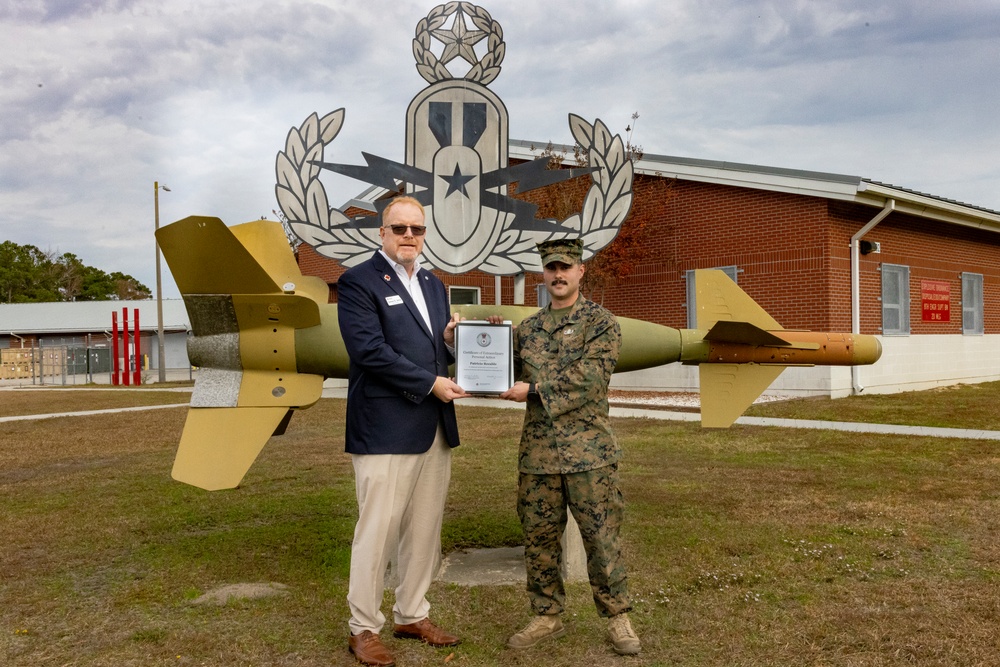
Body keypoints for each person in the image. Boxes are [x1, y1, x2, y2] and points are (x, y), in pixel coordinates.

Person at [337, 195, 467, 667]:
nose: (408, 236)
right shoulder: (357, 282)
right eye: (399, 228)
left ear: (425, 233)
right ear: (381, 232)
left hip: (433, 425)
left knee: (425, 529)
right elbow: (369, 351)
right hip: (386, 426)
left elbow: (433, 350)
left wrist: (450, 345)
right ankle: (363, 627)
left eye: (416, 228)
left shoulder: (435, 285)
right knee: (378, 530)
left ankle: (412, 612)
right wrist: (432, 382)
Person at [500, 238, 641, 656]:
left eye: (566, 267)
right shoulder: (528, 329)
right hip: (539, 456)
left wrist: (533, 389)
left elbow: (590, 380)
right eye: (551, 268)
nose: (558, 275)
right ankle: (547, 615)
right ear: (543, 274)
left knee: (601, 538)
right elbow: (493, 372)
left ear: (581, 271)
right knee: (539, 538)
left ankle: (618, 618)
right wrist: (468, 341)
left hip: (590, 455)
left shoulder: (602, 323)